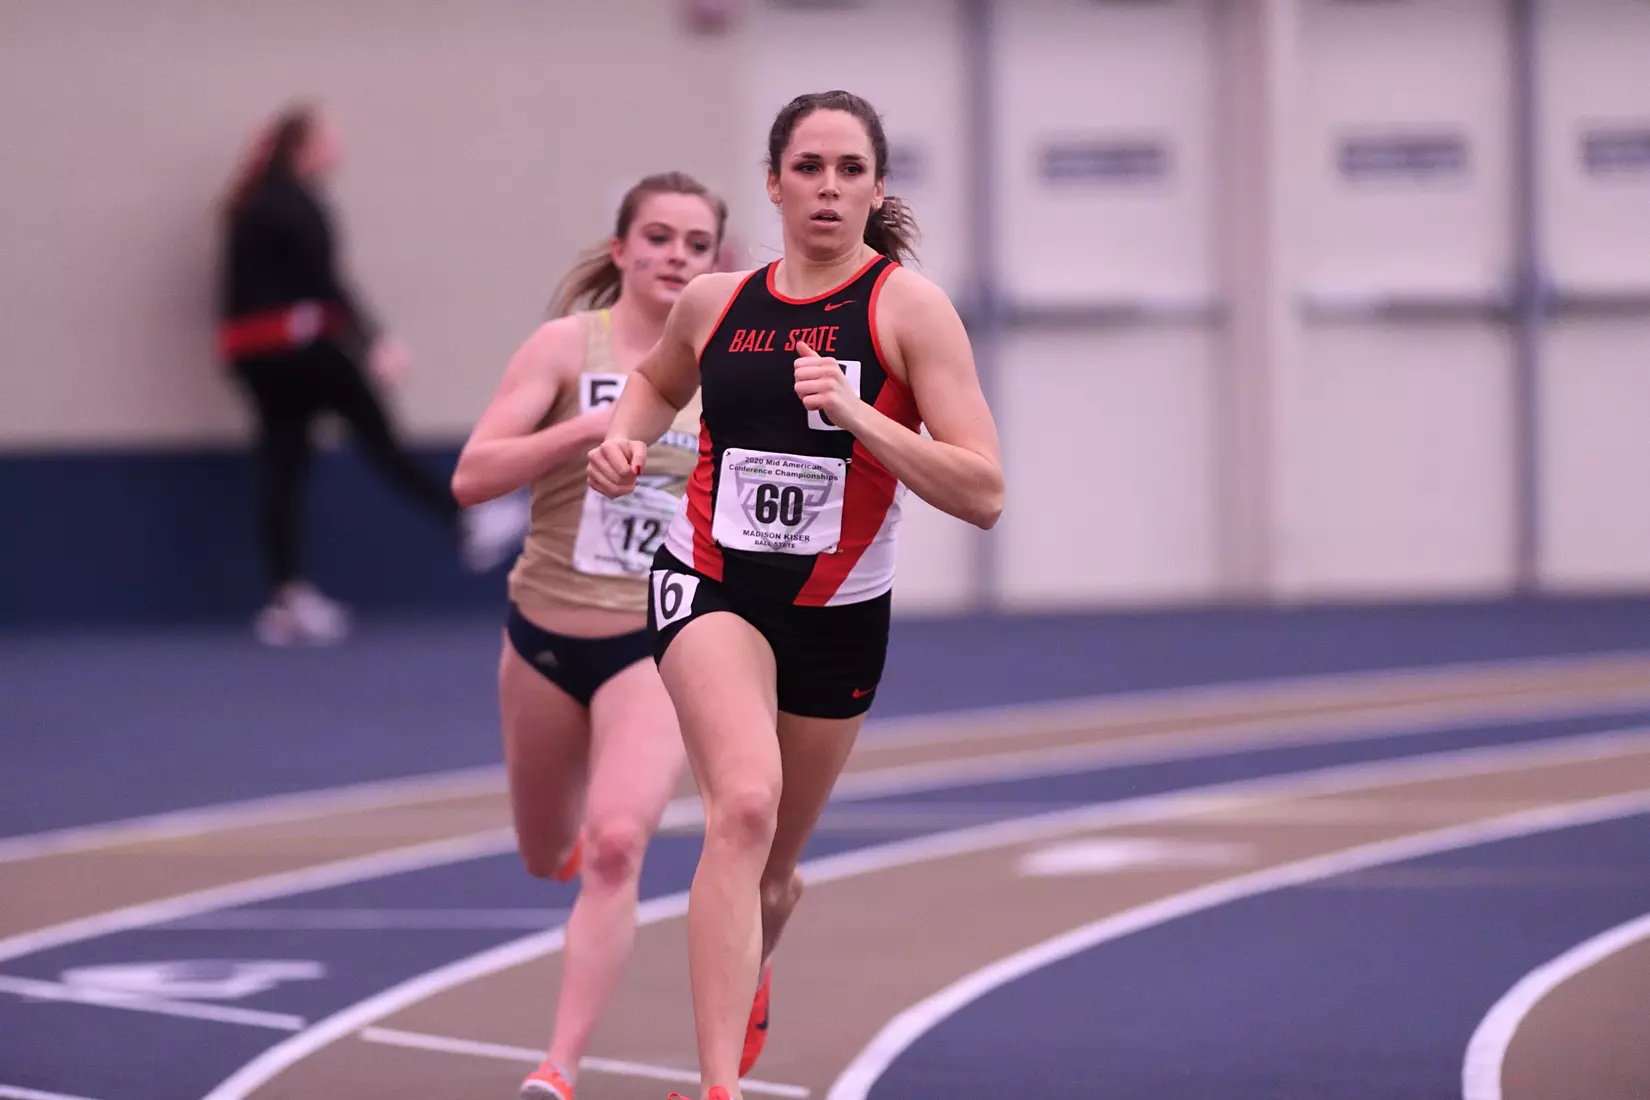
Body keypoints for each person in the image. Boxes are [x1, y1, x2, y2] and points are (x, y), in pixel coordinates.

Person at [588, 90, 1005, 1100]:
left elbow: (983, 490)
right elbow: (653, 378)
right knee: (741, 804)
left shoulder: (907, 308)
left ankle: (760, 941)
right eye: (809, 167)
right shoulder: (717, 300)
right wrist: (627, 437)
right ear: (772, 182)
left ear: (876, 186)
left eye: (849, 169)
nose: (828, 187)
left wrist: (861, 415)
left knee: (773, 862)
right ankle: (716, 1086)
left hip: (839, 614)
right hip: (710, 580)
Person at [451, 171, 731, 1100]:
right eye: (658, 238)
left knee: (616, 844)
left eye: (696, 245)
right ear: (620, 250)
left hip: (654, 641)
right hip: (542, 634)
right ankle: (560, 847)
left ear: (714, 265)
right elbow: (472, 476)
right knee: (546, 852)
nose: (675, 257)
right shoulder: (568, 346)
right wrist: (586, 428)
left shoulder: (726, 367)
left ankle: (557, 1070)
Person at [217, 101, 526, 645]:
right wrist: (374, 342)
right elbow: (325, 283)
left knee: (284, 467)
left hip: (253, 357)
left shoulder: (253, 204)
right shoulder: (297, 204)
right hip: (302, 348)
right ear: (304, 148)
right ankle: (465, 521)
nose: (340, 149)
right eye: (331, 139)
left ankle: (284, 598)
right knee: (381, 440)